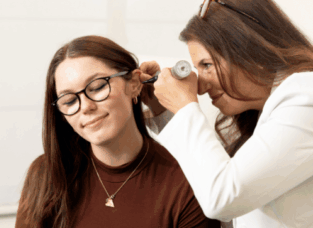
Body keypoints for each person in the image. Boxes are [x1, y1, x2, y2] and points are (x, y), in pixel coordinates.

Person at [139, 0, 313, 226]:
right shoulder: (275, 108)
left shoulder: (306, 96)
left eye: (207, 65)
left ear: (249, 49)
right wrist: (164, 110)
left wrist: (184, 107)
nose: (201, 87)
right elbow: (209, 175)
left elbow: (222, 198)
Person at [16, 35, 220, 228]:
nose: (85, 107)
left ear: (134, 84)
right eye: (69, 101)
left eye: (97, 87)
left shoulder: (188, 183)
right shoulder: (45, 174)